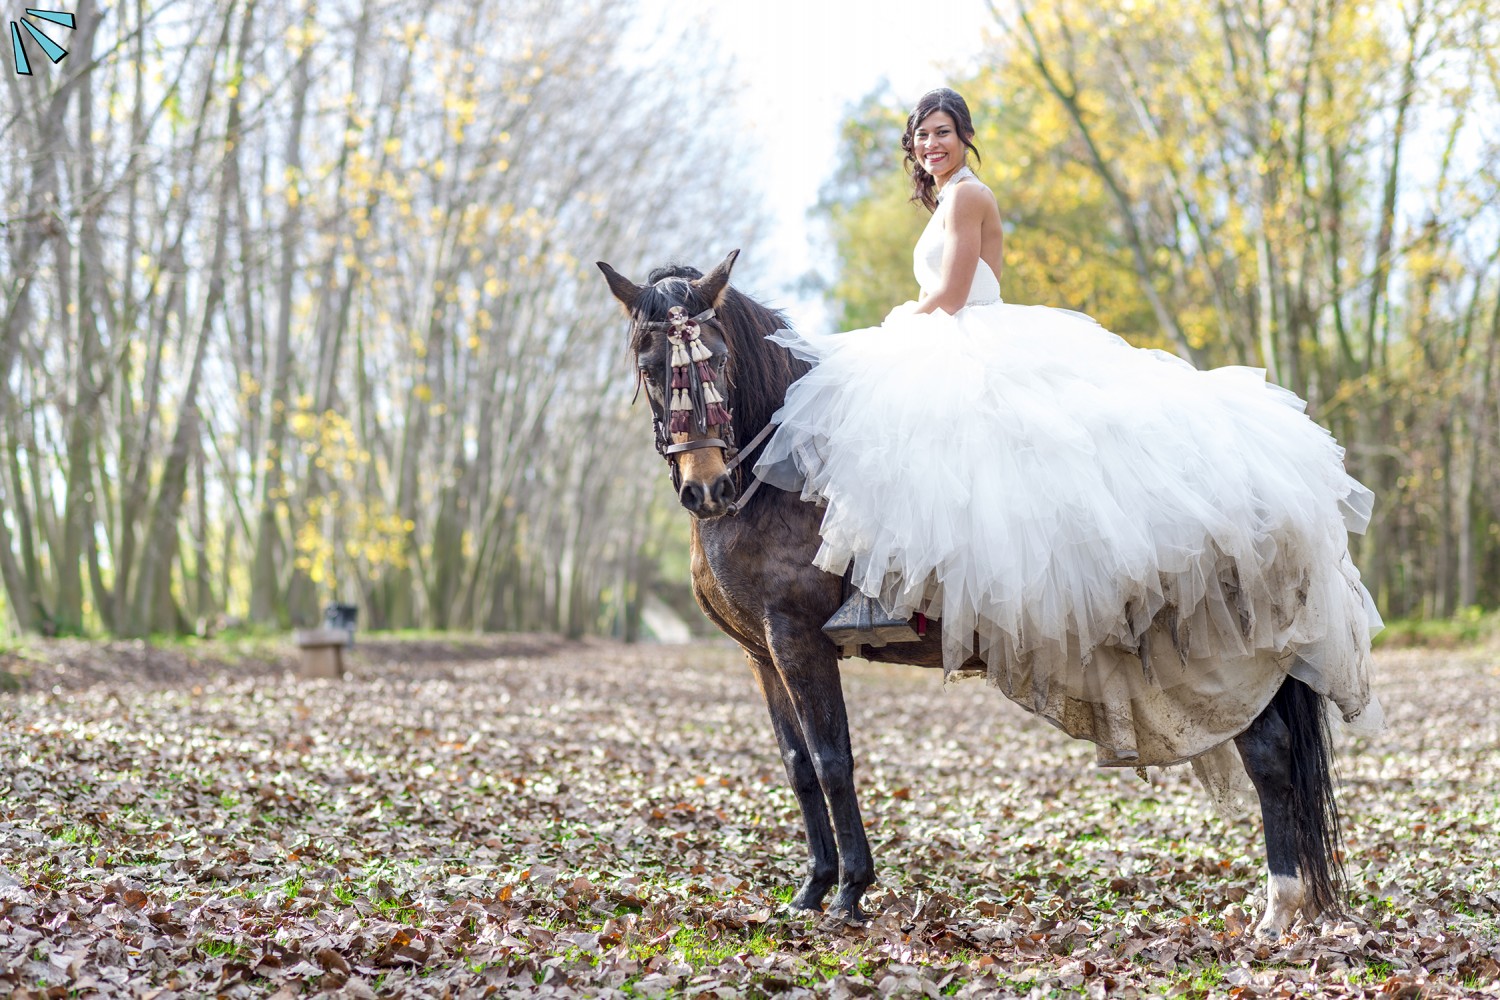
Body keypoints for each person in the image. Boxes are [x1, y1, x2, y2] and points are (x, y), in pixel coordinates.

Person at [754, 88, 1383, 745]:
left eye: (942, 132)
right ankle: (893, 598)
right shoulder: (944, 201)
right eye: (921, 136)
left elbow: (954, 292)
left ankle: (906, 602)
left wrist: (889, 329)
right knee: (916, 458)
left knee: (906, 437)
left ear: (965, 137)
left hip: (965, 332)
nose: (930, 144)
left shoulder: (968, 196)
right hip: (957, 333)